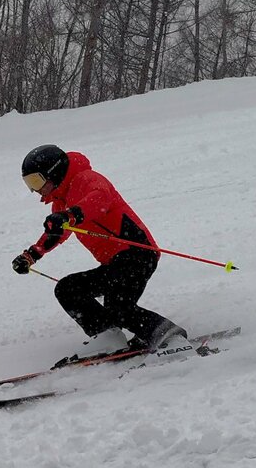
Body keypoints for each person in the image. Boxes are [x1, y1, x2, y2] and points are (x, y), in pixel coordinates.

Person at [12, 144, 187, 357]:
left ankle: (170, 336)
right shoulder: (60, 201)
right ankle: (108, 336)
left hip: (138, 253)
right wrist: (31, 255)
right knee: (69, 288)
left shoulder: (87, 179)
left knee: (119, 307)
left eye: (36, 181)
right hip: (114, 262)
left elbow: (99, 200)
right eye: (29, 183)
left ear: (54, 172)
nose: (35, 189)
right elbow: (56, 233)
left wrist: (71, 216)